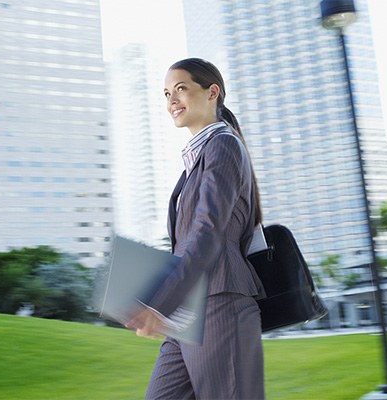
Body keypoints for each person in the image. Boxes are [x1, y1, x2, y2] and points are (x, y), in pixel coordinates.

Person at [126, 58, 266, 400]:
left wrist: (162, 302)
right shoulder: (196, 160)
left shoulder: (223, 146)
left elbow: (207, 231)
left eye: (181, 89)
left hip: (219, 303)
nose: (171, 100)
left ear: (212, 92)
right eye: (166, 93)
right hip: (188, 310)